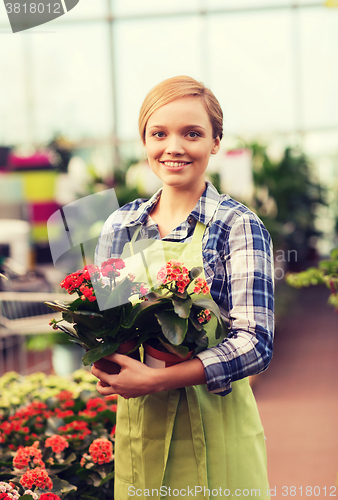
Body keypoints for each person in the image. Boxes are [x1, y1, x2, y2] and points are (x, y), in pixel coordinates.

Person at [91, 75, 274, 500]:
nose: (173, 147)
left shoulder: (237, 225)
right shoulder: (121, 226)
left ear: (214, 142)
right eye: (159, 133)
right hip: (142, 430)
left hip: (217, 429)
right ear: (144, 140)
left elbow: (255, 342)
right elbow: (110, 326)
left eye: (192, 133)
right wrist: (108, 365)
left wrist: (162, 378)